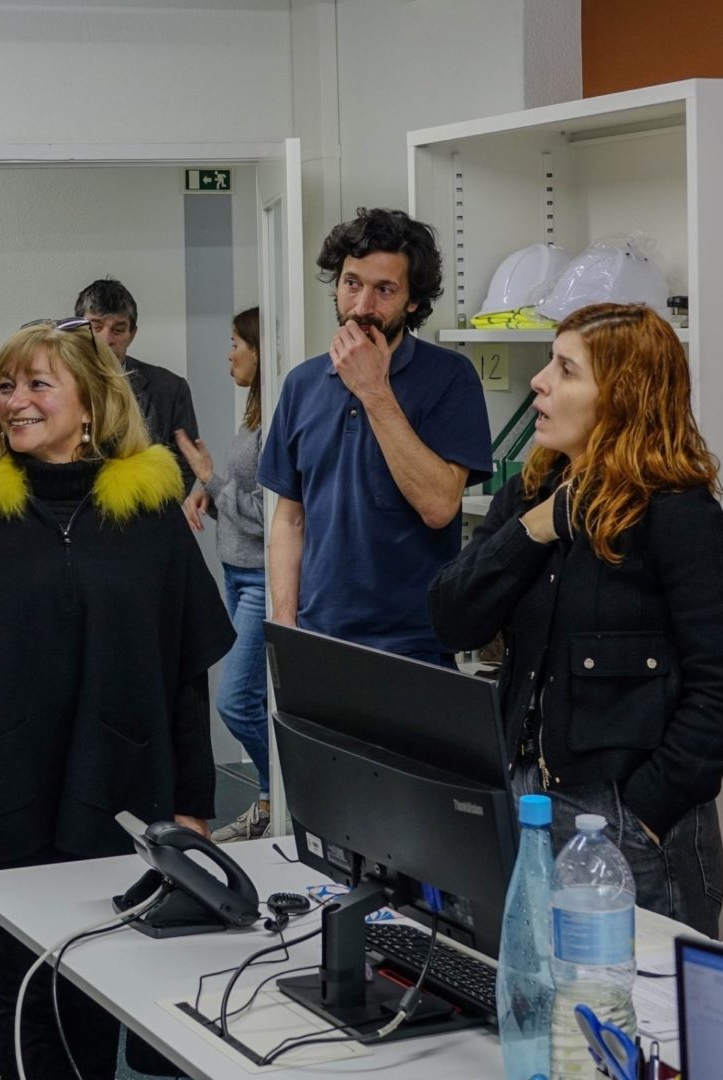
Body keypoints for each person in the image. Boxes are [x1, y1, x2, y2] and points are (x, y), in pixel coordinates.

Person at [0, 319, 235, 1079]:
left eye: (39, 384)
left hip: (122, 793)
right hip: (4, 796)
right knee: (27, 989)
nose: (16, 402)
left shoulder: (147, 515)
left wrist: (193, 801)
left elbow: (184, 669)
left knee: (102, 981)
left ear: (91, 405)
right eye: (7, 385)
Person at [428, 302, 723, 936]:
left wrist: (642, 814)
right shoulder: (531, 493)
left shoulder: (680, 516)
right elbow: (453, 619)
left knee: (640, 1019)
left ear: (621, 397)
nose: (539, 381)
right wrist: (531, 530)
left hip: (627, 822)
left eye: (565, 369)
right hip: (525, 804)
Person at [258, 208, 492, 663]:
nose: (362, 307)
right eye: (351, 283)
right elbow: (290, 519)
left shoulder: (450, 378)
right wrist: (285, 625)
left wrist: (374, 391)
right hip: (316, 634)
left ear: (412, 301)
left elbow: (441, 506)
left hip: (412, 644)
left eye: (384, 290)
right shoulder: (302, 383)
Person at [175, 307, 274, 842]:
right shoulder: (253, 413)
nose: (228, 352)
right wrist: (207, 493)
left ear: (260, 349)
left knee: (235, 701)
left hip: (260, 581)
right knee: (249, 699)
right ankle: (267, 799)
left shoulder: (275, 417)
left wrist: (210, 480)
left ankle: (281, 793)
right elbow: (242, 501)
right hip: (235, 575)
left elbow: (269, 514)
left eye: (236, 342)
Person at [75, 276, 204, 493]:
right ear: (77, 330)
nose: (106, 340)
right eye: (95, 328)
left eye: (118, 329)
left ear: (132, 334)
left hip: (143, 515)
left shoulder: (169, 389)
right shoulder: (53, 386)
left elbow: (185, 467)